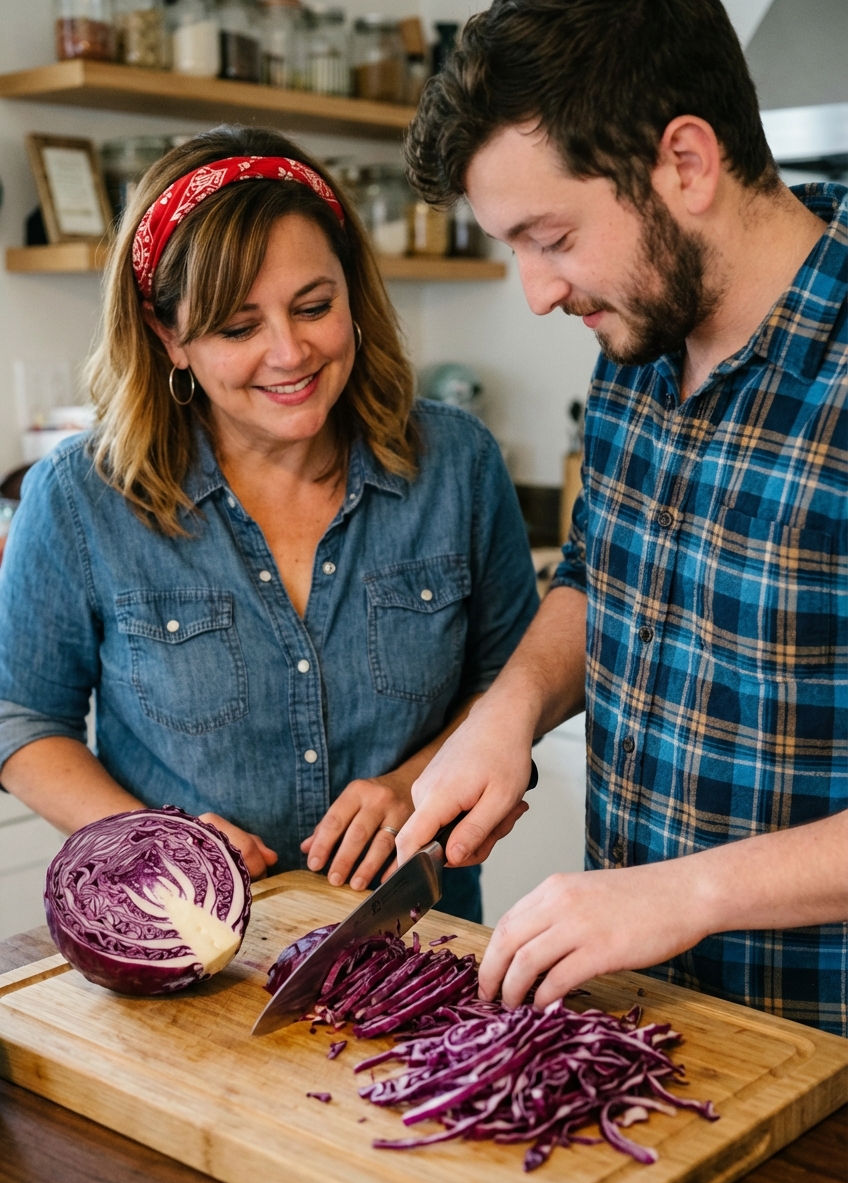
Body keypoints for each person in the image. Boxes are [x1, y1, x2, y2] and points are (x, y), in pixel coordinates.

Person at [398, 0, 847, 1031]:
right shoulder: (638, 343)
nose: (535, 294)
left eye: (548, 238)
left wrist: (687, 892)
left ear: (685, 162)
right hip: (654, 1037)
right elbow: (601, 573)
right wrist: (507, 712)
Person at [0, 125, 538, 923]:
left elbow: (510, 686)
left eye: (314, 306)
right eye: (238, 327)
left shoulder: (455, 464)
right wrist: (150, 838)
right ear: (169, 336)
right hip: (185, 939)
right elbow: (20, 719)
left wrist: (411, 785)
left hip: (418, 939)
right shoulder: (81, 499)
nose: (290, 352)